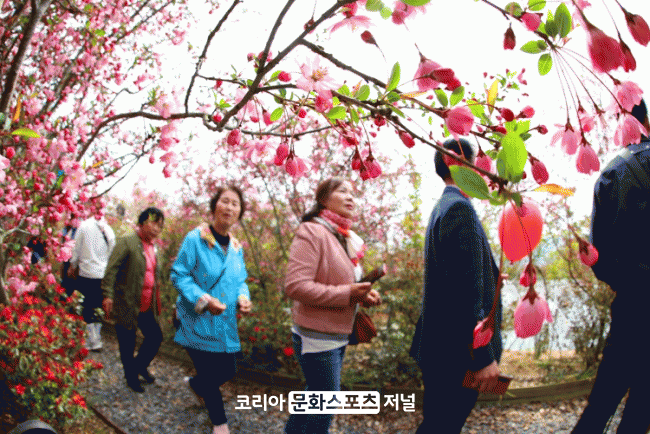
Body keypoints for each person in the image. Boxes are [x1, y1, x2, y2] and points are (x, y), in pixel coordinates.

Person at [409, 138, 502, 433]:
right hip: (457, 354)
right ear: (459, 163)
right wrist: (483, 357)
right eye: (477, 164)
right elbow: (467, 292)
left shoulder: (444, 207)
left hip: (442, 347)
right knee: (442, 425)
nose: (482, 172)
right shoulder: (460, 209)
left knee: (438, 424)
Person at [571, 101, 650, 434]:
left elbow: (599, 260)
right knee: (642, 408)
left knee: (602, 402)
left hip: (633, 304)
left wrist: (627, 280)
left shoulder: (612, 174)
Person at [283, 177, 382, 434]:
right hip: (316, 336)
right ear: (323, 199)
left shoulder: (342, 235)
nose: (350, 197)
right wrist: (348, 294)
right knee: (324, 406)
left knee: (314, 396)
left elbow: (340, 281)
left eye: (352, 193)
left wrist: (362, 295)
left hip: (337, 334)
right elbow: (295, 286)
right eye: (342, 191)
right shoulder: (312, 232)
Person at [171, 186, 252, 434]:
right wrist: (205, 300)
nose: (229, 207)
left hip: (223, 322)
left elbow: (241, 280)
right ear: (214, 206)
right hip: (194, 319)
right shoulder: (195, 239)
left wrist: (243, 297)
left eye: (235, 204)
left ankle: (197, 385)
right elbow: (179, 275)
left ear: (240, 212)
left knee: (228, 369)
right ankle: (219, 423)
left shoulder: (236, 247)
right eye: (224, 201)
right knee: (209, 373)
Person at [101, 207, 165, 393]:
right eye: (154, 223)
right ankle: (131, 377)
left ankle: (139, 366)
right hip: (127, 302)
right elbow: (111, 270)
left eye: (160, 226)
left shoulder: (154, 247)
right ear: (142, 222)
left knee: (155, 337)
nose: (156, 229)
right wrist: (107, 295)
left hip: (147, 305)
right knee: (127, 343)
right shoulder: (127, 242)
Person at [69, 215, 116, 351]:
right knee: (98, 307)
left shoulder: (83, 227)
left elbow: (76, 249)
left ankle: (92, 340)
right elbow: (112, 250)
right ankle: (95, 339)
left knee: (87, 306)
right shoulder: (108, 229)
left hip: (86, 273)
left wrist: (73, 265)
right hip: (103, 274)